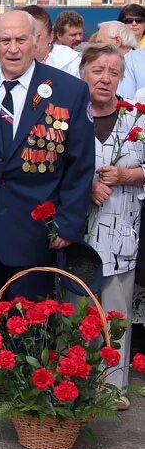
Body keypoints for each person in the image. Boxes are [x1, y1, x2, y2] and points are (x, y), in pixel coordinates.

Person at [0, 10, 95, 413]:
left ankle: (29, 391)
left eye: (21, 41)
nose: (12, 49)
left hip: (36, 228)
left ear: (37, 41)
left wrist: (67, 221)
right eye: (4, 41)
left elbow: (80, 165)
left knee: (31, 315)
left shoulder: (66, 90)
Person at [77, 43, 144, 410]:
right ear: (83, 73)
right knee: (76, 312)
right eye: (98, 71)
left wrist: (127, 174)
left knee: (116, 315)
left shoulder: (138, 119)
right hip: (77, 236)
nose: (105, 79)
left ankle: (111, 388)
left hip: (122, 234)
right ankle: (75, 384)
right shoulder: (69, 117)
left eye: (113, 73)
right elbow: (51, 167)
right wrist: (85, 184)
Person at [21, 4, 80, 77]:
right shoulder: (7, 64)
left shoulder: (72, 64)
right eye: (21, 38)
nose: (29, 42)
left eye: (36, 36)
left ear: (50, 36)